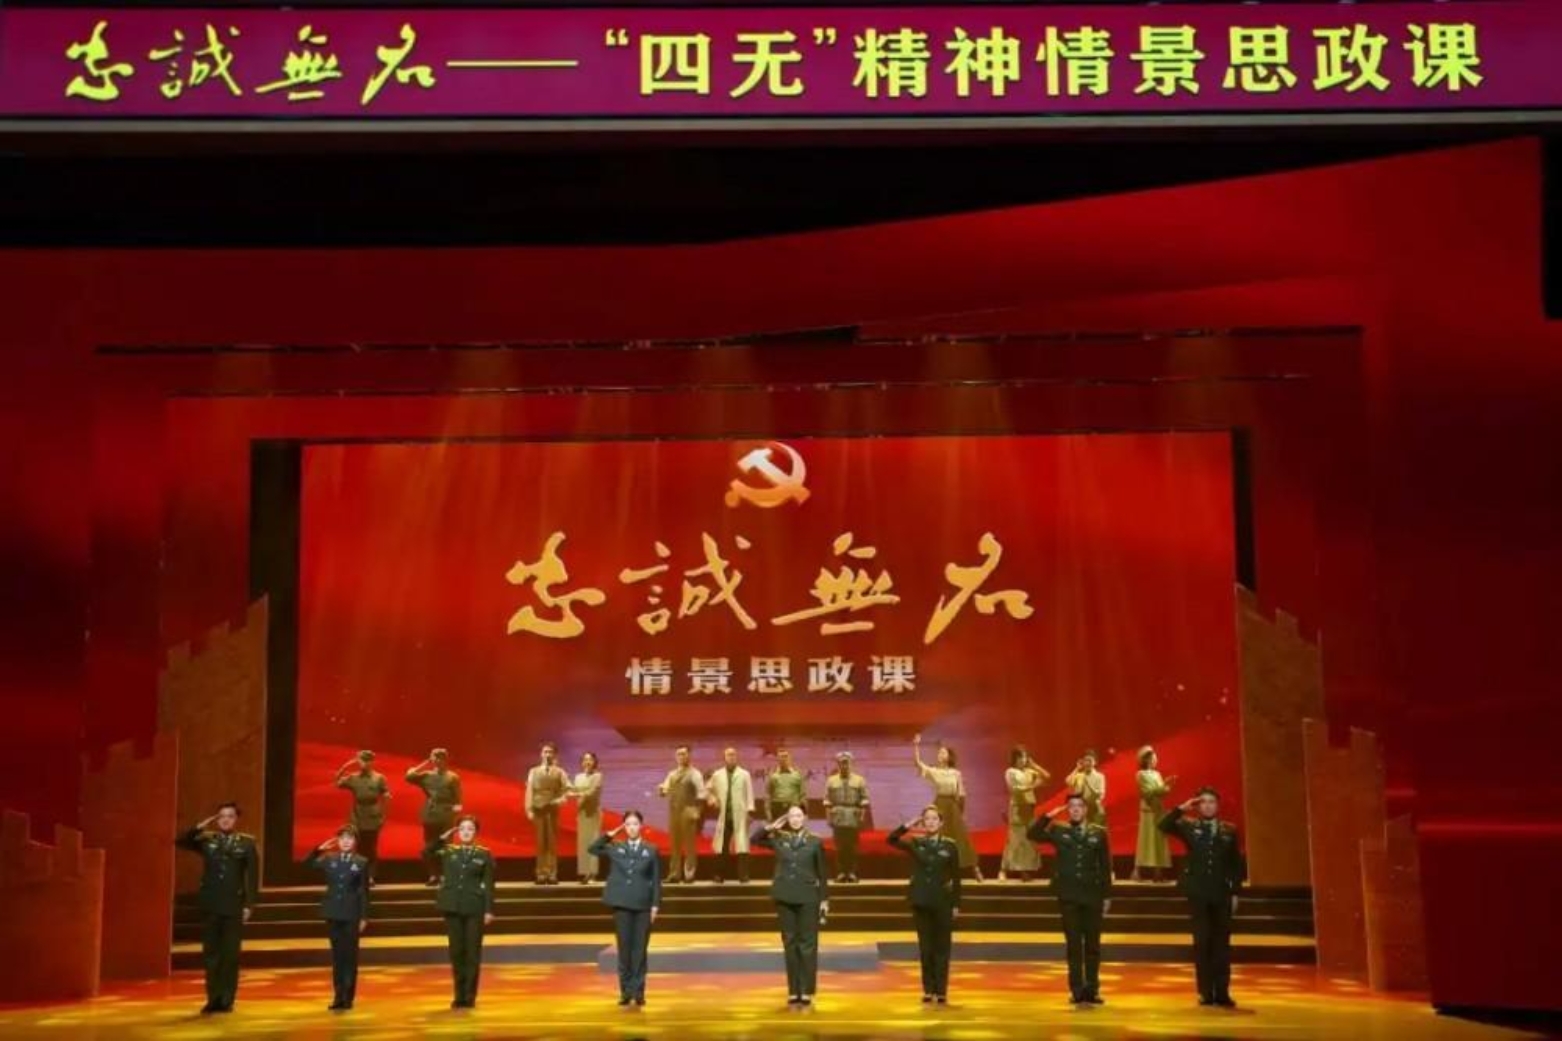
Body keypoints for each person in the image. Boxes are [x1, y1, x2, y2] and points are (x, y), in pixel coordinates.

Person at [1159, 787, 1245, 1008]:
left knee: (1222, 944)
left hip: (1221, 893)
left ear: (1218, 805)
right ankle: (1206, 992)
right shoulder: (1189, 826)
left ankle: (1222, 992)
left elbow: (1235, 864)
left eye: (1211, 802)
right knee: (1202, 942)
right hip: (1198, 892)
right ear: (1198, 806)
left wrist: (1235, 891)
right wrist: (1181, 808)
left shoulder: (1229, 830)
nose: (1207, 806)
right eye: (1203, 802)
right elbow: (1163, 825)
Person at [1028, 793, 1113, 1005]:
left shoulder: (1099, 833)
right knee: (1074, 945)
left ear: (1085, 809)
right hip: (1069, 896)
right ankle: (1076, 990)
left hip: (1092, 895)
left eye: (1079, 806)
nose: (1075, 809)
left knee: (1092, 946)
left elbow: (1105, 867)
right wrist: (1049, 816)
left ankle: (1092, 990)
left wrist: (1107, 895)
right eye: (1071, 806)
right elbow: (1033, 833)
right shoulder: (1059, 830)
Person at [175, 802, 259, 1014]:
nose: (225, 819)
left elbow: (252, 877)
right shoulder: (207, 840)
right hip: (211, 904)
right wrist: (199, 826)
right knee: (211, 955)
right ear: (216, 819)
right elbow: (181, 841)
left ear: (235, 819)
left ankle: (227, 1000)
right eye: (221, 816)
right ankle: (213, 999)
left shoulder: (247, 844)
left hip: (233, 905)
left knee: (230, 956)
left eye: (229, 816)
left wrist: (249, 904)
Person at [753, 806, 830, 1006]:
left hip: (808, 897)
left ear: (805, 818)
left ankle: (806, 990)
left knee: (808, 944)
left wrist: (824, 900)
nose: (795, 819)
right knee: (790, 943)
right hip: (785, 896)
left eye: (798, 815)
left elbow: (822, 873)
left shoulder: (814, 841)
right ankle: (794, 990)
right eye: (791, 816)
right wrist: (770, 827)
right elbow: (755, 840)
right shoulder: (780, 839)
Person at [888, 805, 962, 1004]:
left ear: (941, 823)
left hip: (942, 902)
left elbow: (956, 877)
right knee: (926, 948)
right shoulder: (916, 843)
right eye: (927, 819)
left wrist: (956, 904)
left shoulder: (950, 846)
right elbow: (891, 839)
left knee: (942, 948)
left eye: (934, 819)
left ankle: (941, 991)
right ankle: (928, 990)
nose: (930, 822)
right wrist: (908, 825)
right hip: (921, 901)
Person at [590, 810, 661, 1007]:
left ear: (641, 826)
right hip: (622, 904)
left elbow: (656, 880)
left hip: (643, 905)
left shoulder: (651, 850)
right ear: (624, 827)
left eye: (635, 824)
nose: (631, 828)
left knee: (639, 950)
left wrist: (655, 905)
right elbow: (593, 848)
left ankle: (638, 991)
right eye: (628, 824)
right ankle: (625, 991)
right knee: (624, 949)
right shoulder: (616, 848)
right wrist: (609, 835)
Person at [426, 814, 496, 1009]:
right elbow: (426, 853)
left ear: (476, 832)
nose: (466, 832)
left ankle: (470, 996)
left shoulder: (484, 854)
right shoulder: (448, 851)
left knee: (472, 953)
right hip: (453, 907)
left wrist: (489, 910)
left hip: (474, 907)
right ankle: (459, 995)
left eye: (470, 829)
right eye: (462, 829)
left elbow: (489, 885)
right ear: (457, 832)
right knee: (456, 953)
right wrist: (442, 838)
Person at [304, 825, 371, 1011]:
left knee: (350, 957)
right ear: (338, 841)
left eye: (349, 838)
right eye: (342, 838)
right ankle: (338, 996)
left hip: (351, 913)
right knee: (337, 956)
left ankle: (348, 997)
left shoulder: (361, 862)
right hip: (333, 912)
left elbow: (364, 891)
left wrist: (364, 916)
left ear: (355, 841)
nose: (346, 842)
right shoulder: (329, 859)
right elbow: (308, 865)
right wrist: (319, 850)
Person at [912, 733, 982, 881]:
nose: (940, 754)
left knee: (961, 837)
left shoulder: (956, 773)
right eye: (939, 753)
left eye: (943, 752)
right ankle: (939, 873)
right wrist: (916, 745)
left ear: (949, 756)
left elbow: (961, 792)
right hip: (940, 805)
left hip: (953, 805)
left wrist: (961, 810)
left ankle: (975, 869)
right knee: (939, 837)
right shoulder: (934, 771)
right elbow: (918, 763)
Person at [406, 748, 463, 886]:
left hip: (446, 815)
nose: (437, 760)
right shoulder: (427, 776)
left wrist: (455, 816)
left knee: (446, 846)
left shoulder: (452, 777)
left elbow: (458, 799)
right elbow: (409, 777)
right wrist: (425, 763)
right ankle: (433, 875)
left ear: (445, 760)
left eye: (440, 757)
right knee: (430, 846)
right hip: (430, 814)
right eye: (435, 758)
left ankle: (446, 875)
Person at [334, 750, 389, 885]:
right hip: (357, 815)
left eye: (367, 760)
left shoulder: (379, 778)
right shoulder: (353, 778)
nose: (364, 763)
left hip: (373, 815)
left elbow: (385, 796)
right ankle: (358, 876)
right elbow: (338, 783)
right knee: (358, 848)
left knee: (371, 848)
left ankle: (370, 876)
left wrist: (383, 816)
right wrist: (345, 766)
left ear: (372, 762)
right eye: (362, 760)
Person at [657, 745, 706, 883]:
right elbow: (665, 790)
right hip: (674, 812)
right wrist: (661, 790)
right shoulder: (671, 774)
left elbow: (702, 794)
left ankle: (689, 874)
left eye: (684, 754)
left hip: (688, 810)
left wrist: (697, 811)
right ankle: (674, 874)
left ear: (689, 755)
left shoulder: (695, 774)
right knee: (674, 845)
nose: (681, 756)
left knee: (689, 845)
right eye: (679, 754)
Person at [999, 746, 1048, 881]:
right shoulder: (1010, 772)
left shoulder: (1028, 771)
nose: (1023, 760)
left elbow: (1046, 776)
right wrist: (1033, 785)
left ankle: (1024, 871)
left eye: (1025, 757)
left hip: (1029, 808)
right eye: (1020, 757)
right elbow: (1015, 789)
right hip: (1017, 808)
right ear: (1014, 759)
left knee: (1028, 841)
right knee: (1015, 840)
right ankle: (1003, 869)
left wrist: (1035, 766)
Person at [707, 746, 754, 883]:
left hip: (740, 815)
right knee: (722, 847)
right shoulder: (718, 774)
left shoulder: (744, 774)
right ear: (724, 757)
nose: (731, 757)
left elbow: (749, 794)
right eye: (728, 755)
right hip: (725, 816)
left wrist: (750, 811)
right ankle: (719, 875)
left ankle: (743, 875)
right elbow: (708, 789)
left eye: (733, 754)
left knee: (742, 847)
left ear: (736, 757)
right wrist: (713, 800)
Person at [525, 741, 570, 885]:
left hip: (552, 809)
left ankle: (552, 873)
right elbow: (529, 791)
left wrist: (561, 800)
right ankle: (540, 873)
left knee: (551, 842)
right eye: (545, 752)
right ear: (541, 754)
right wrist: (529, 809)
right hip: (538, 808)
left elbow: (568, 789)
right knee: (540, 842)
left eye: (550, 752)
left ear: (555, 754)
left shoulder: (560, 772)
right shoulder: (533, 771)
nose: (548, 754)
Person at [823, 751, 869, 882]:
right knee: (839, 847)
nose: (844, 766)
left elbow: (864, 800)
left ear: (851, 764)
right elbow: (827, 801)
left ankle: (852, 872)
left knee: (853, 847)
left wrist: (861, 817)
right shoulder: (831, 780)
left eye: (846, 763)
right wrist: (828, 817)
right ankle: (841, 873)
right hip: (838, 816)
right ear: (838, 764)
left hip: (853, 815)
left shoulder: (859, 780)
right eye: (841, 763)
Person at [1133, 746, 1176, 882]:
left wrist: (1168, 786)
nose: (1154, 761)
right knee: (1145, 840)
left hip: (1158, 809)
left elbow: (1160, 791)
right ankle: (1137, 871)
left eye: (1155, 758)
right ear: (1145, 760)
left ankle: (1158, 873)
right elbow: (1147, 792)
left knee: (1159, 841)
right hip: (1148, 811)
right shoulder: (1140, 774)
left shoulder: (1157, 774)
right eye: (1152, 758)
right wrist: (1164, 785)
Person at [569, 751, 605, 884]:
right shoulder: (578, 777)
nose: (587, 762)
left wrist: (576, 794)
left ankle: (593, 874)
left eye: (590, 759)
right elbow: (572, 789)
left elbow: (591, 792)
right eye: (585, 759)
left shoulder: (598, 776)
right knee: (583, 843)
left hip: (593, 812)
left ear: (595, 762)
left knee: (593, 843)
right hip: (582, 812)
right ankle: (584, 873)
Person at [1065, 750, 1108, 827]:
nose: (1087, 763)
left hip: (1094, 810)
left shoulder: (1100, 777)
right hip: (1080, 810)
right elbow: (1068, 781)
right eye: (1085, 760)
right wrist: (1077, 768)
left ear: (1095, 762)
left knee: (1095, 831)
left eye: (1090, 760)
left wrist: (1088, 784)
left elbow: (1100, 795)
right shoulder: (1079, 775)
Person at [765, 747, 807, 822]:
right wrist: (768, 813)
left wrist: (805, 813)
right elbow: (768, 795)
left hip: (794, 809)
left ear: (790, 758)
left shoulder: (797, 775)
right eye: (781, 757)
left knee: (793, 829)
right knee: (777, 829)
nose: (783, 759)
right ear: (777, 759)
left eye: (785, 756)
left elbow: (803, 795)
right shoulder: (773, 776)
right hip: (777, 810)